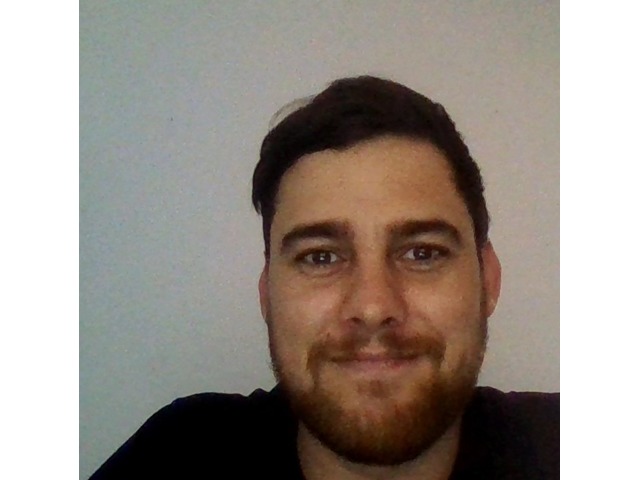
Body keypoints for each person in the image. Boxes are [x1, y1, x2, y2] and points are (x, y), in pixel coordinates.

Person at [89, 76, 559, 479]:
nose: (373, 307)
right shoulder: (180, 457)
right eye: (320, 257)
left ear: (488, 279)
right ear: (266, 295)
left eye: (422, 253)